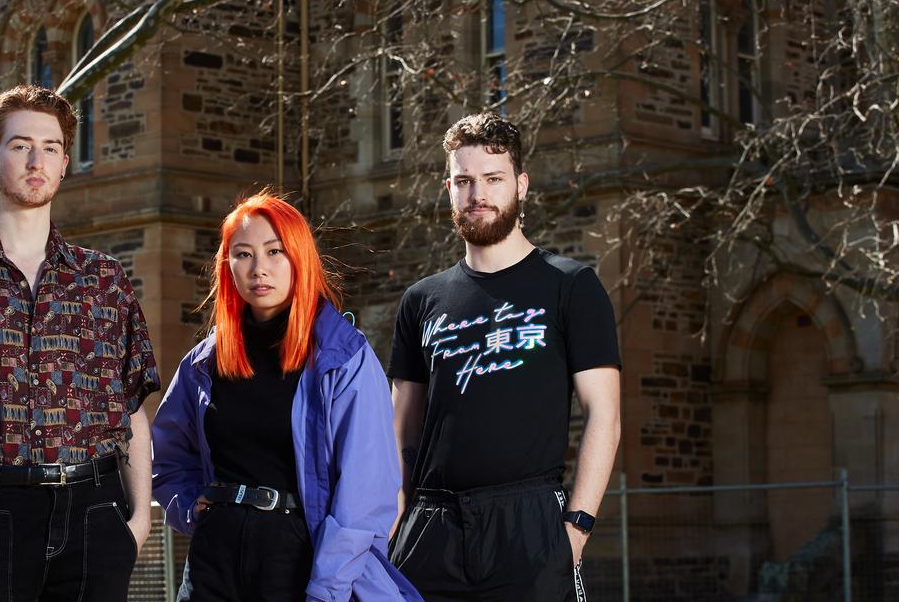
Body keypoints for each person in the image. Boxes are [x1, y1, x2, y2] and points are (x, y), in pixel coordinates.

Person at [0, 85, 160, 602]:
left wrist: (137, 526)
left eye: (52, 147)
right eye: (20, 145)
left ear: (64, 163)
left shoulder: (104, 278)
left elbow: (132, 410)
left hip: (96, 515)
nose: (36, 160)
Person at [388, 114, 621, 601]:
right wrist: (395, 522)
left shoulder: (570, 286)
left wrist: (575, 529)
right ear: (448, 188)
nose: (479, 194)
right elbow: (400, 429)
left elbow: (604, 413)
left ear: (521, 184)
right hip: (432, 528)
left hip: (529, 524)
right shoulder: (421, 300)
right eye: (465, 181)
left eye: (493, 179)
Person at [151, 192, 422, 602]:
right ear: (229, 267)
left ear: (299, 257)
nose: (259, 268)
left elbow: (366, 494)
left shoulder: (342, 356)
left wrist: (327, 590)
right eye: (243, 255)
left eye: (274, 251)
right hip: (214, 557)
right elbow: (167, 456)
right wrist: (189, 505)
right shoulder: (204, 362)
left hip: (298, 555)